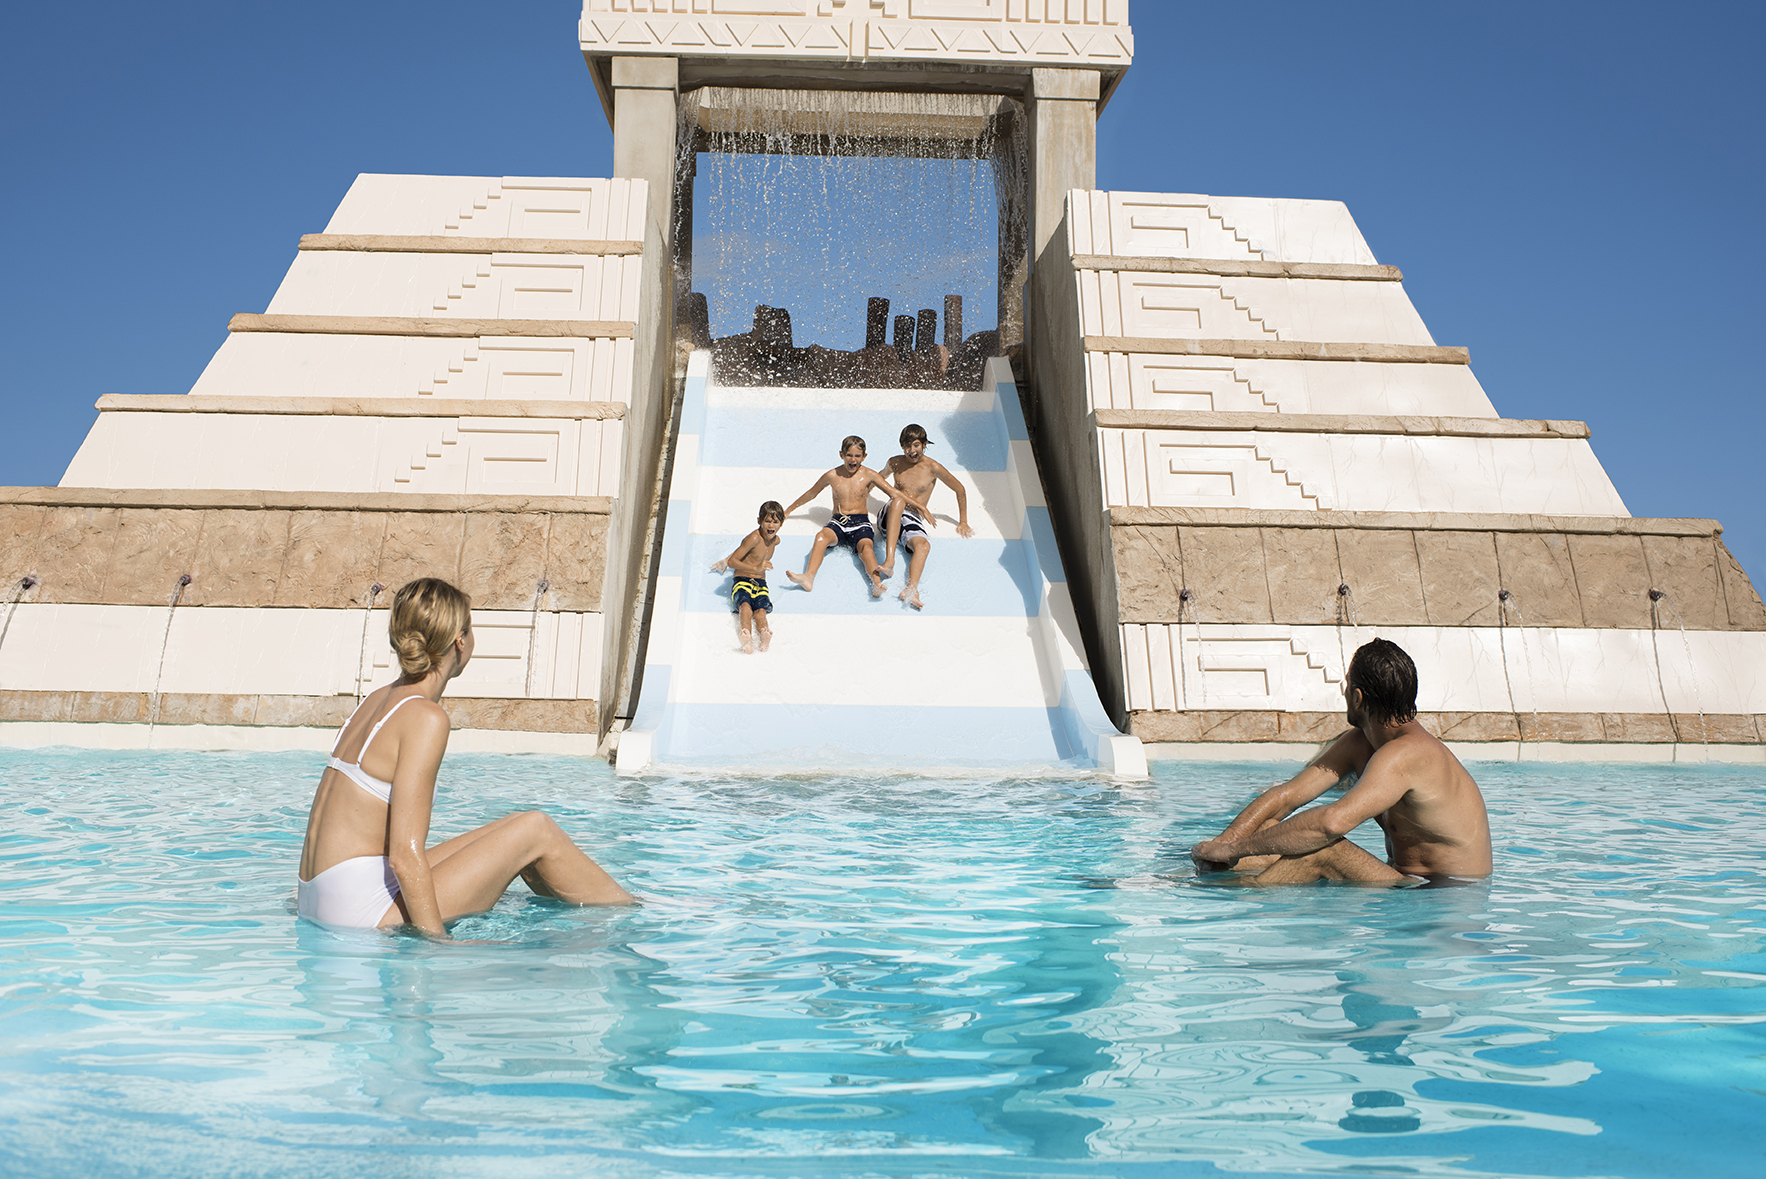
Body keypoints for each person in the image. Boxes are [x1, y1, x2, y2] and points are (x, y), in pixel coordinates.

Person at [297, 578, 633, 934]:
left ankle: (612, 904)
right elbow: (404, 856)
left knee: (514, 828)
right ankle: (633, 919)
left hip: (320, 895)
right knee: (537, 830)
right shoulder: (425, 717)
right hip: (359, 911)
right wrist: (436, 946)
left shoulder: (377, 699)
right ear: (460, 638)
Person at [1189, 638, 1492, 885]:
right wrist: (1223, 845)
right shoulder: (1361, 743)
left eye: (1347, 685)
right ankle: (1197, 878)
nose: (1344, 692)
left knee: (1323, 851)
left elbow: (1330, 824)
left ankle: (1220, 899)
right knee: (1267, 832)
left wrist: (1232, 849)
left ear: (1358, 697)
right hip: (1404, 880)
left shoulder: (1409, 753)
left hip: (1445, 893)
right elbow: (1286, 797)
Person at [782, 435, 917, 598]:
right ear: (841, 454)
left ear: (864, 457)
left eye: (857, 456)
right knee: (821, 537)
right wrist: (788, 510)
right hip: (838, 521)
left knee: (866, 548)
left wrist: (919, 506)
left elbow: (893, 492)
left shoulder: (869, 475)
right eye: (849, 455)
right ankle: (808, 577)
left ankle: (876, 583)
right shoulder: (832, 475)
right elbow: (811, 494)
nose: (853, 460)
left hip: (860, 523)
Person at [873, 423, 974, 610]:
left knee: (924, 545)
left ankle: (911, 589)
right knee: (898, 500)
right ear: (902, 447)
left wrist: (963, 521)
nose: (911, 451)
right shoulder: (895, 462)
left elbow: (959, 488)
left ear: (924, 444)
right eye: (907, 446)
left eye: (916, 445)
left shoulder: (933, 467)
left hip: (912, 518)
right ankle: (889, 560)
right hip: (889, 515)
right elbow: (878, 479)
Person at [711, 501, 784, 653]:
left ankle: (764, 634)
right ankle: (746, 636)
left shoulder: (776, 541)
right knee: (745, 606)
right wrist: (755, 567)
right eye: (767, 521)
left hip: (760, 583)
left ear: (781, 524)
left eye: (775, 522)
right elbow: (733, 561)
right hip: (742, 579)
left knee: (761, 610)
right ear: (759, 521)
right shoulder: (754, 538)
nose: (771, 525)